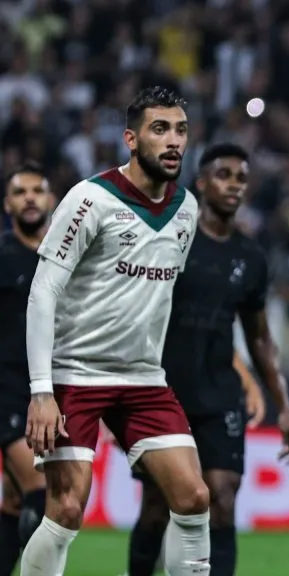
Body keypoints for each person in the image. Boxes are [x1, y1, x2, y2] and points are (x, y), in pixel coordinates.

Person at [22, 86, 209, 576]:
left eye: (181, 130)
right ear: (130, 138)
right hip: (75, 375)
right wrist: (42, 391)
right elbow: (43, 293)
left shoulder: (187, 209)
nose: (173, 141)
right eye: (160, 129)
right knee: (65, 509)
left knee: (193, 497)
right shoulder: (89, 199)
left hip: (144, 379)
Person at [125, 143, 289, 576]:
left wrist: (285, 407)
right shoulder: (169, 241)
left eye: (241, 178)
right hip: (164, 393)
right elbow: (136, 315)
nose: (234, 185)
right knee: (155, 507)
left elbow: (259, 338)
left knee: (222, 498)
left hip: (221, 393)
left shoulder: (251, 258)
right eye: (224, 175)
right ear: (201, 184)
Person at [0, 164, 54, 574]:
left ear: (51, 200)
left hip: (47, 389)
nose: (31, 198)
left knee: (14, 501)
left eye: (38, 190)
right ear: (8, 203)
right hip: (5, 388)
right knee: (40, 491)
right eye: (21, 192)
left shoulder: (65, 256)